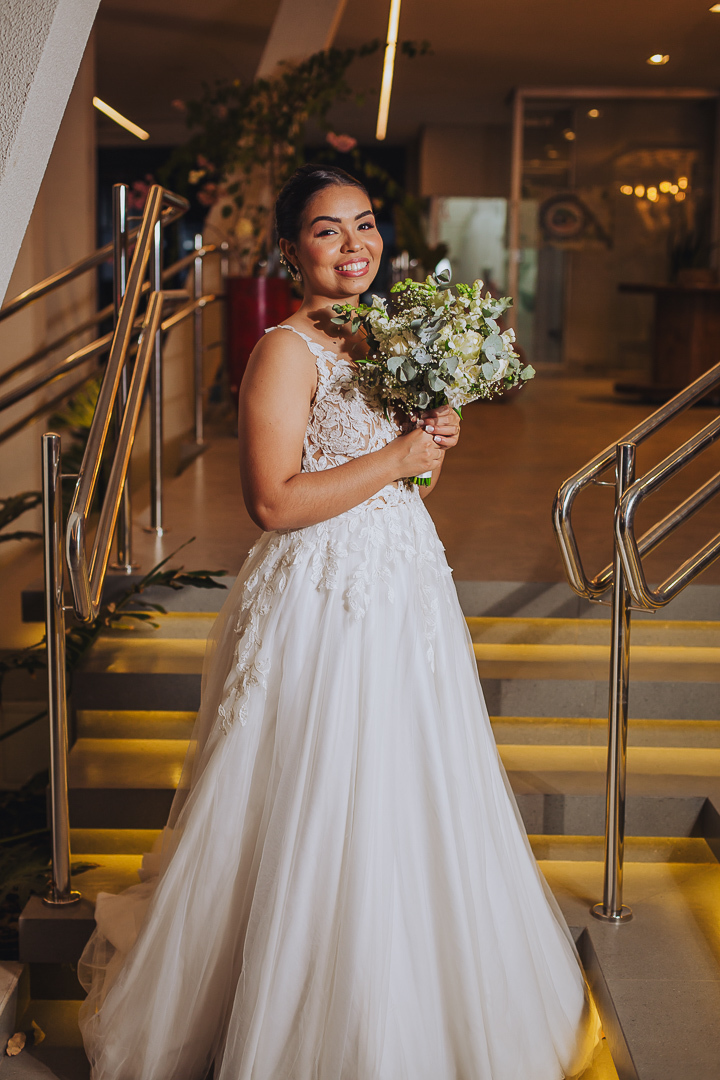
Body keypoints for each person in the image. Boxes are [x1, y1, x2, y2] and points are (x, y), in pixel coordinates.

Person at [78, 164, 601, 1080]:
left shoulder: (380, 334)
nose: (356, 244)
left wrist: (431, 446)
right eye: (329, 230)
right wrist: (400, 451)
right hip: (322, 597)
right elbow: (273, 502)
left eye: (365, 224)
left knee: (411, 781)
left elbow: (408, 477)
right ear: (290, 250)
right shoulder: (284, 351)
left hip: (404, 587)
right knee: (315, 789)